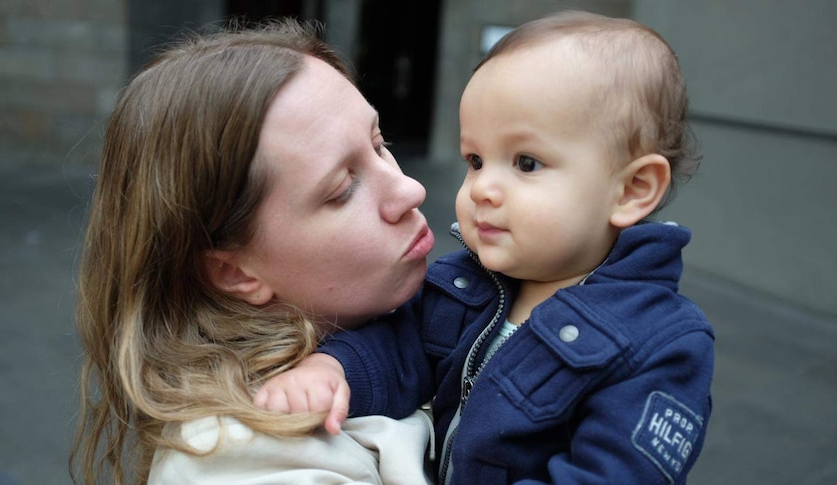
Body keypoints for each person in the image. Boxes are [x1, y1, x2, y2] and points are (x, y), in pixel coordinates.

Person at [255, 10, 715, 485]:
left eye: (526, 162)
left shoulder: (661, 344)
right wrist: (333, 371)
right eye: (475, 160)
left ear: (633, 189)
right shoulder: (464, 287)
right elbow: (398, 351)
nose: (482, 189)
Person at [69, 18, 438, 485]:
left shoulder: (430, 316)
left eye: (379, 145)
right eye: (343, 189)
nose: (411, 190)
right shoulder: (243, 457)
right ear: (234, 272)